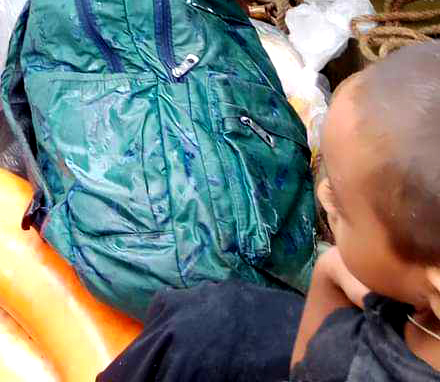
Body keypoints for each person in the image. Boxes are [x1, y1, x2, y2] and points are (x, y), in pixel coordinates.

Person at [98, 41, 440, 382]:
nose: (323, 194)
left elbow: (303, 366)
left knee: (201, 327)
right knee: (216, 316)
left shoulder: (347, 363)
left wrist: (328, 272)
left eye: (342, 206)